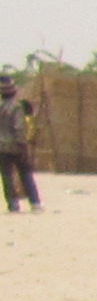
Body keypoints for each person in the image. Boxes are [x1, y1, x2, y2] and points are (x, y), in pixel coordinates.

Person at [0, 74, 39, 213]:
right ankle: (35, 202)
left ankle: (13, 204)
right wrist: (23, 145)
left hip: (1, 147)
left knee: (6, 176)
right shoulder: (17, 107)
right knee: (25, 173)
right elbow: (19, 127)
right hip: (16, 145)